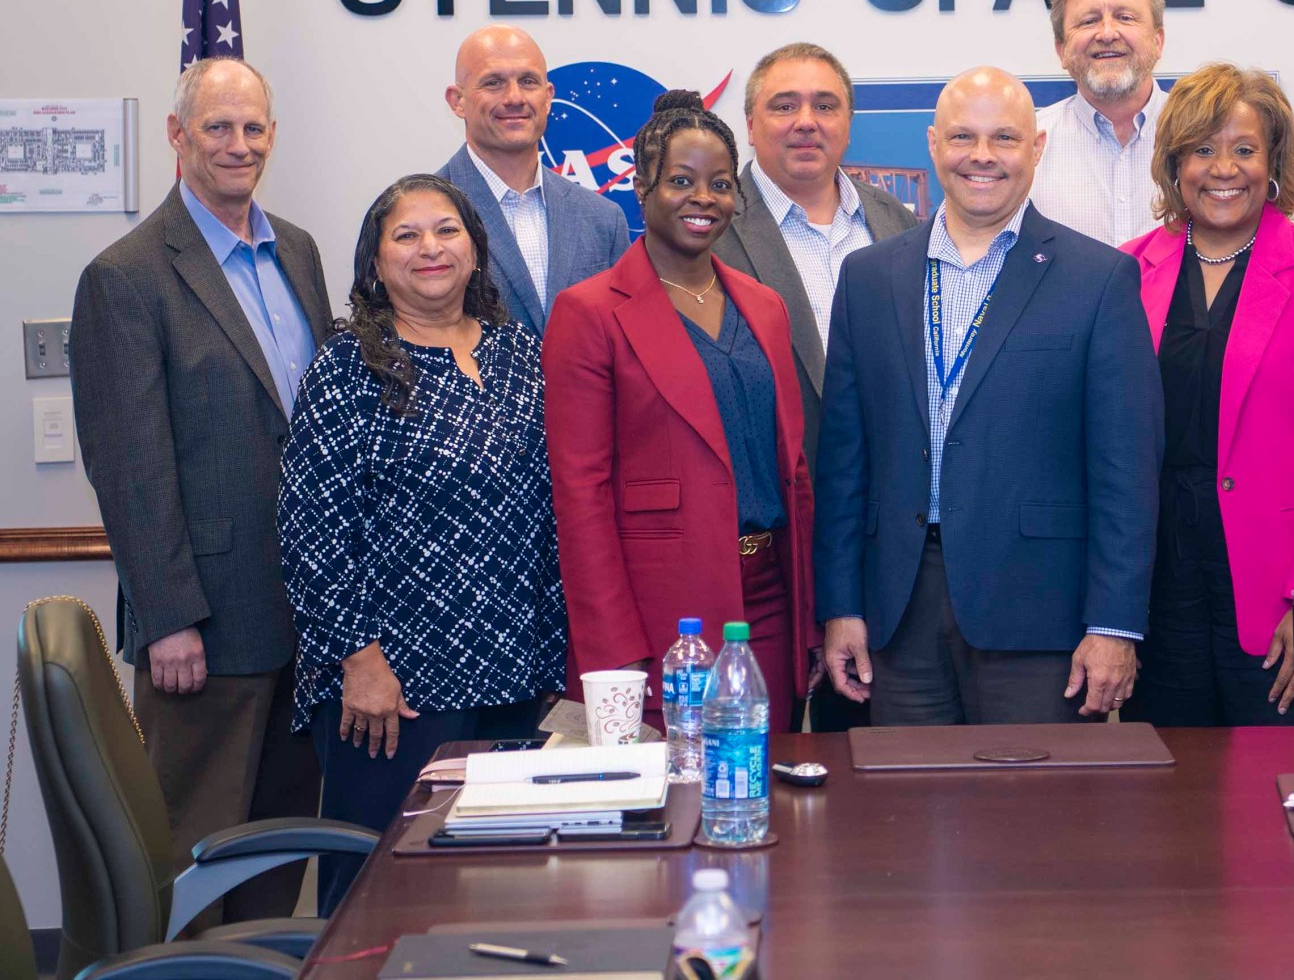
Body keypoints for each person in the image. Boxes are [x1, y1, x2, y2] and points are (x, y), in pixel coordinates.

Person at [815, 67, 1164, 725]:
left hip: (1041, 617)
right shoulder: (868, 277)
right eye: (963, 136)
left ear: (1036, 147)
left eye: (1003, 137)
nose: (982, 156)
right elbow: (843, 461)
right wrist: (841, 606)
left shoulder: (1100, 280)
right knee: (904, 816)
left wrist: (1115, 623)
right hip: (898, 610)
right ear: (932, 143)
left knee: (1029, 820)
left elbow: (1127, 471)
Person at [70, 56, 327, 925]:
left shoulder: (297, 249)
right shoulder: (127, 275)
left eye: (253, 127)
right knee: (197, 856)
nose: (238, 144)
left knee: (280, 847)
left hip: (306, 616)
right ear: (178, 137)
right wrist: (170, 613)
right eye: (218, 127)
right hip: (206, 627)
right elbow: (129, 460)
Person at [277, 175, 565, 913]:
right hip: (393, 690)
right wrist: (359, 659)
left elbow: (551, 508)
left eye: (447, 230)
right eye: (406, 235)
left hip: (513, 673)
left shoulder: (520, 356)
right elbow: (311, 527)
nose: (430, 248)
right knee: (379, 895)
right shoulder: (346, 368)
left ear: (476, 250)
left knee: (498, 893)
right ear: (375, 263)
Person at [545, 90, 817, 735]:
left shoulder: (765, 306)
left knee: (761, 793)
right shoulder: (588, 313)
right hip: (661, 611)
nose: (704, 198)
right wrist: (612, 652)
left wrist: (811, 612)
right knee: (673, 810)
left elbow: (793, 470)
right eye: (681, 181)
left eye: (720, 183)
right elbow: (580, 495)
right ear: (640, 186)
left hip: (771, 600)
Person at [1122, 64, 1294, 726]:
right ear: (1175, 163)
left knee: (1276, 798)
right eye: (1203, 149)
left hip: (1280, 585)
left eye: (1243, 149)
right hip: (1156, 583)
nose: (1223, 169)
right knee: (1170, 794)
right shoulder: (1124, 273)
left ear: (1274, 163)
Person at [713, 42, 915, 733]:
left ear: (849, 122)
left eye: (825, 105)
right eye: (784, 104)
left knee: (875, 757)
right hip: (762, 548)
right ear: (748, 120)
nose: (807, 121)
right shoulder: (706, 228)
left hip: (886, 543)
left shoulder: (901, 224)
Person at [438, 23, 630, 332]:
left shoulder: (604, 220)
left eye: (528, 81)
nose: (514, 97)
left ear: (548, 95)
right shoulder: (421, 218)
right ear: (457, 100)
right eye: (493, 82)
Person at [1031, 0, 1169, 246]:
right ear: (1061, 51)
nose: (1107, 33)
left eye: (1125, 17)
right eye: (1088, 21)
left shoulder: (1206, 136)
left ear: (1158, 40)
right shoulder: (1027, 148)